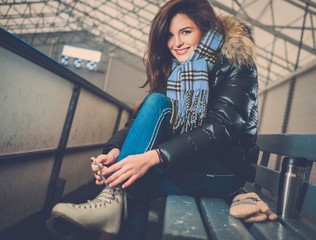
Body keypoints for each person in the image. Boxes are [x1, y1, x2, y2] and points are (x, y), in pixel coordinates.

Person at [51, 0, 259, 239]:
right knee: (155, 105)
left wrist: (154, 156)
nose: (176, 43)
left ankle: (108, 200)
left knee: (134, 181)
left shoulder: (237, 64)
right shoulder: (177, 70)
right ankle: (110, 199)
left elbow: (222, 129)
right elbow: (141, 119)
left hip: (224, 169)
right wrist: (115, 151)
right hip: (185, 158)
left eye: (186, 32)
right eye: (169, 36)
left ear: (205, 28)